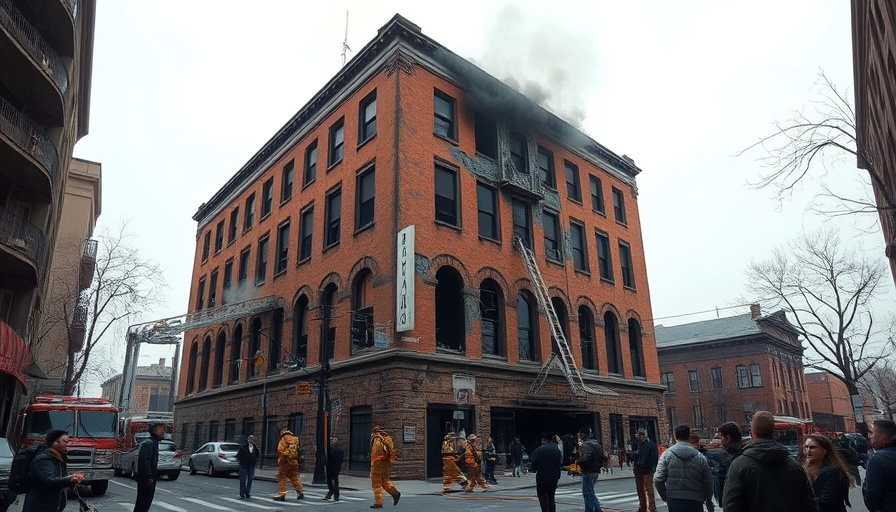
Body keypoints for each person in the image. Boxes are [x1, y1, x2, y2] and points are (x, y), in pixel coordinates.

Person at [722, 411, 818, 512]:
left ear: (751, 433)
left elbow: (731, 505)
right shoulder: (794, 465)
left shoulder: (739, 465)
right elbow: (810, 504)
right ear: (774, 433)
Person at [654, 424, 714, 512]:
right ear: (689, 436)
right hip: (695, 500)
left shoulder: (666, 455)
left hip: (674, 499)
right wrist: (708, 501)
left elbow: (658, 479)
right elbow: (708, 481)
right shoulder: (700, 457)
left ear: (675, 436)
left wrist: (665, 497)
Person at [22, 429, 84, 512]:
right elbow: (49, 481)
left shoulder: (59, 458)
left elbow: (60, 479)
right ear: (55, 443)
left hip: (52, 507)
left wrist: (73, 481)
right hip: (39, 506)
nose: (68, 444)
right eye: (65, 441)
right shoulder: (43, 459)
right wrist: (70, 479)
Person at [803, 433, 852, 512]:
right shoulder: (808, 469)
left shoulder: (832, 472)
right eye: (806, 447)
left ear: (825, 450)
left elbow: (828, 500)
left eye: (812, 447)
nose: (808, 451)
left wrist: (802, 502)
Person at [863, 418, 896, 511]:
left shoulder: (877, 460)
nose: (869, 436)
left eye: (872, 432)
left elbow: (872, 494)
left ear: (883, 436)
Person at [134, 422, 165, 512]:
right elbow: (145, 462)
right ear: (156, 431)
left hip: (149, 479)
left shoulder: (153, 443)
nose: (164, 431)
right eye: (161, 429)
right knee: (143, 502)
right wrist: (149, 476)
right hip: (146, 480)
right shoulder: (148, 444)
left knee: (145, 502)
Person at [529, 433, 562, 512]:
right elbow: (559, 462)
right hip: (554, 476)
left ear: (544, 439)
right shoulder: (557, 449)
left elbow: (534, 463)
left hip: (542, 476)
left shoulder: (539, 450)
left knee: (543, 496)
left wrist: (533, 469)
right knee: (551, 497)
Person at [369, 425, 400, 509]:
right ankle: (395, 493)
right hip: (385, 464)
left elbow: (375, 453)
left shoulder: (376, 439)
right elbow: (391, 451)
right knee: (383, 481)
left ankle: (378, 503)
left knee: (376, 484)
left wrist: (374, 463)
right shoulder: (386, 438)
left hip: (377, 464)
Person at [714, 421, 744, 505]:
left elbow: (724, 483)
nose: (720, 441)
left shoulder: (725, 457)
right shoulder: (746, 453)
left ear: (727, 438)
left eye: (721, 437)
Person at [576, 426, 604, 512]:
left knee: (587, 493)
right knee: (590, 491)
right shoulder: (596, 443)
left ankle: (596, 509)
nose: (579, 434)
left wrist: (578, 461)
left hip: (588, 471)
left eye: (581, 433)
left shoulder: (585, 445)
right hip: (595, 470)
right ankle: (590, 509)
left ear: (585, 434)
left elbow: (586, 457)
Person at [274, 427, 304, 501]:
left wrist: (283, 456)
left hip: (285, 461)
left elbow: (279, 450)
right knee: (294, 476)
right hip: (294, 461)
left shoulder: (283, 440)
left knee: (282, 477)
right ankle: (300, 492)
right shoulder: (296, 440)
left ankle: (282, 494)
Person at [632, 428, 659, 512]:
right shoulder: (637, 444)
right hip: (638, 470)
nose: (638, 436)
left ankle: (652, 508)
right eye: (638, 434)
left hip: (647, 470)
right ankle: (642, 507)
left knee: (649, 490)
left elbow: (654, 458)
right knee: (640, 490)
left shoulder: (650, 444)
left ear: (643, 435)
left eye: (640, 434)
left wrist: (652, 468)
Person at [236, 434, 260, 499]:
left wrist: (255, 461)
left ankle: (247, 492)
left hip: (251, 465)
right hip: (244, 465)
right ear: (248, 439)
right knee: (243, 479)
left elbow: (257, 454)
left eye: (252, 439)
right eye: (250, 439)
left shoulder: (254, 447)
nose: (251, 440)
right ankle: (242, 493)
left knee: (250, 479)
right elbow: (238, 456)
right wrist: (241, 461)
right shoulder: (243, 447)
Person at [325, 434, 344, 502]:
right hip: (329, 466)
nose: (333, 441)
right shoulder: (329, 447)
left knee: (335, 481)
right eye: (331, 439)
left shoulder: (338, 448)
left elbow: (339, 458)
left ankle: (336, 496)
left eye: (334, 439)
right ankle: (330, 493)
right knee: (329, 480)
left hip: (335, 466)